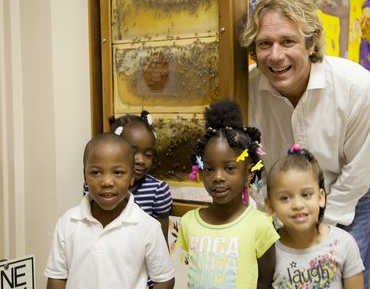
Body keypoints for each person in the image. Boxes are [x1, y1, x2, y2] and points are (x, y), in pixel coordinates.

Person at [240, 0, 370, 288]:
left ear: (311, 42)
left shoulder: (355, 85)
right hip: (278, 205)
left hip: (345, 195)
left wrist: (320, 230)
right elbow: (247, 163)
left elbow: (360, 167)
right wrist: (273, 213)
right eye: (265, 43)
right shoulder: (246, 90)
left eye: (287, 41)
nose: (275, 55)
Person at [45, 133, 174, 289]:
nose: (107, 182)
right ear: (84, 176)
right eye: (96, 172)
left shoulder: (148, 227)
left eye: (118, 172)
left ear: (132, 177)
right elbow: (56, 277)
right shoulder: (67, 222)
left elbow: (164, 279)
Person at [176, 99, 279, 288]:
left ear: (249, 173)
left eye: (229, 168)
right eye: (209, 169)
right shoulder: (188, 222)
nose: (218, 177)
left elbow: (264, 283)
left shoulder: (260, 225)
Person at [265, 144, 364, 289]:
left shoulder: (344, 244)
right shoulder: (269, 250)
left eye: (306, 195)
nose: (297, 205)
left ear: (321, 197)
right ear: (269, 205)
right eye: (285, 198)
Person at [84, 110, 172, 244]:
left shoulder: (158, 191)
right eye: (133, 152)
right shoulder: (94, 185)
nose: (141, 160)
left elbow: (161, 243)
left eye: (148, 154)